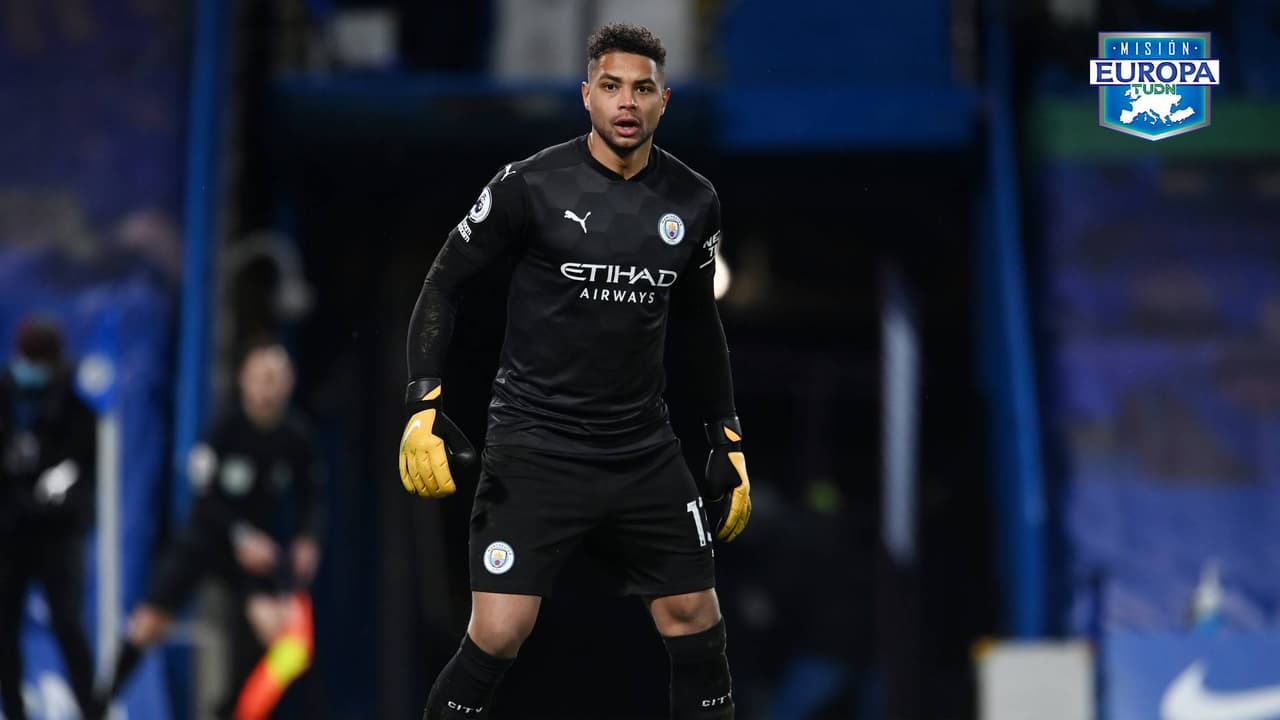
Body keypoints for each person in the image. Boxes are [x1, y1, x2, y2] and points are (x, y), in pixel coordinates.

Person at [399, 23, 752, 720]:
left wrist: (727, 438)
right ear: (587, 96)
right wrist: (421, 407)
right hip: (535, 446)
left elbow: (696, 326)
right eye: (613, 87)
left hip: (641, 449)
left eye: (643, 89)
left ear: (664, 101)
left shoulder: (694, 201)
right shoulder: (528, 186)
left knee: (695, 618)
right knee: (499, 633)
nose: (628, 102)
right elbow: (443, 288)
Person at [96, 342, 323, 718]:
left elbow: (312, 494)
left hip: (255, 553)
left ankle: (230, 707)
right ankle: (98, 704)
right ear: (245, 381)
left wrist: (307, 538)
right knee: (148, 625)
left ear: (289, 384)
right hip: (206, 540)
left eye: (277, 379)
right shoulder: (223, 429)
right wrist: (242, 536)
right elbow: (204, 498)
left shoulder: (296, 436)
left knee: (285, 643)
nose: (269, 388)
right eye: (262, 378)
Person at [0, 317, 102, 720]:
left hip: (59, 533)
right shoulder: (5, 393)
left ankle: (92, 709)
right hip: (9, 532)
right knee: (4, 626)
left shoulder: (74, 398)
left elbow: (84, 464)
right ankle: (14, 709)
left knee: (67, 622)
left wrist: (58, 491)